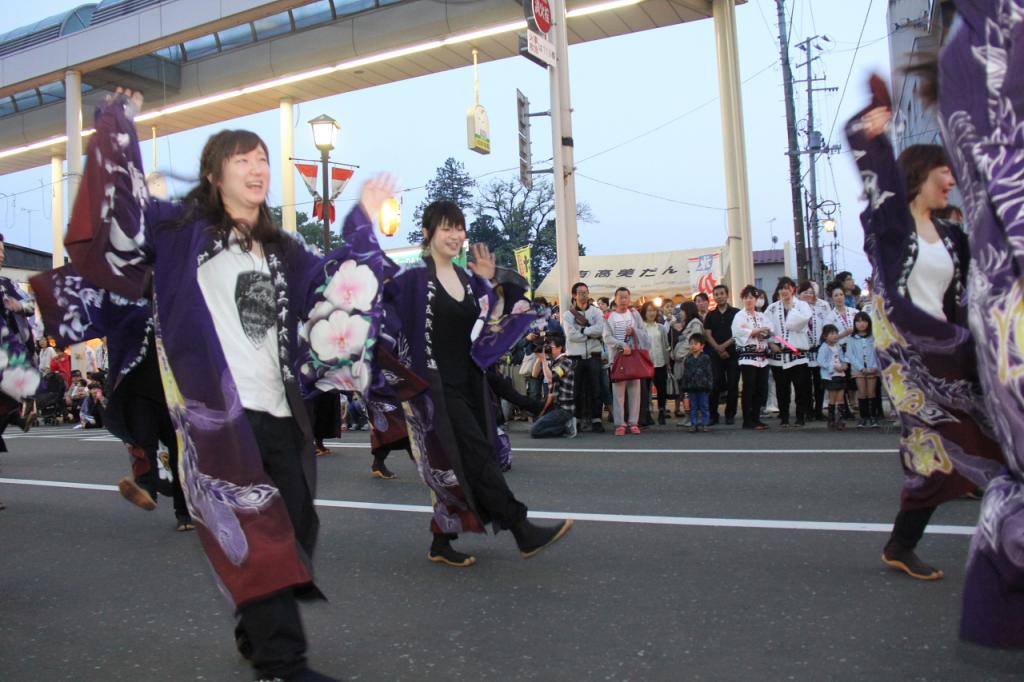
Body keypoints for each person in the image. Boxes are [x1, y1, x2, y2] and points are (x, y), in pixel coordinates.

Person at [43, 87, 352, 681]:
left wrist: (363, 233)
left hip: (282, 410)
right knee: (259, 532)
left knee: (299, 525)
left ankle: (255, 624)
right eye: (243, 159)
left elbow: (335, 291)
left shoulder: (284, 250)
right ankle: (282, 662)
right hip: (219, 415)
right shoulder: (181, 229)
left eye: (263, 158)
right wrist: (116, 126)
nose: (258, 168)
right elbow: (123, 210)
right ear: (214, 174)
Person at [846, 76, 1005, 609]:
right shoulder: (891, 226)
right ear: (920, 175)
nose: (951, 180)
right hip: (913, 360)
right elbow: (875, 173)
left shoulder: (954, 235)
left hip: (956, 352)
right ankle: (924, 542)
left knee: (956, 449)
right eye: (944, 171)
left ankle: (903, 541)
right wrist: (872, 127)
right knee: (954, 446)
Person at [370, 196, 573, 569]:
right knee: (476, 456)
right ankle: (520, 528)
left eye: (459, 227)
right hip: (433, 387)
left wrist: (490, 280)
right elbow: (380, 319)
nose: (455, 234)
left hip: (469, 381)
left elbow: (495, 322)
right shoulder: (412, 279)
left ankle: (441, 539)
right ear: (428, 232)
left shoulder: (467, 278)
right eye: (446, 227)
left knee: (463, 460)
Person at [765, 277, 813, 427]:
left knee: (801, 387)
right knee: (782, 388)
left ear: (793, 289)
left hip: (798, 353)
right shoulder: (772, 308)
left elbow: (803, 322)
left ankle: (800, 416)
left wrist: (791, 311)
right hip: (779, 354)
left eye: (787, 287)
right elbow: (765, 329)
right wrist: (771, 343)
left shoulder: (802, 305)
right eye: (781, 288)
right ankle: (784, 417)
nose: (784, 291)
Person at [603, 286, 650, 436]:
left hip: (634, 358)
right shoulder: (609, 317)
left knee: (635, 392)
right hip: (618, 359)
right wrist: (621, 345)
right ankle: (620, 424)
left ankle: (633, 423)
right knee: (618, 394)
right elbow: (607, 337)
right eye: (620, 297)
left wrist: (634, 331)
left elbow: (644, 332)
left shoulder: (635, 314)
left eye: (626, 297)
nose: (623, 300)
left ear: (630, 298)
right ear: (615, 299)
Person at [561, 282, 605, 433]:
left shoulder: (596, 312)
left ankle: (596, 419)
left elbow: (601, 329)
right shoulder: (568, 315)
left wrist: (583, 331)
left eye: (586, 292)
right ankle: (577, 419)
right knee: (576, 390)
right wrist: (589, 335)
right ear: (574, 295)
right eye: (580, 293)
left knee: (596, 389)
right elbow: (571, 335)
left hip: (593, 355)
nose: (584, 295)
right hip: (575, 356)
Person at [733, 285, 771, 430]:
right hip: (748, 356)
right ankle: (747, 419)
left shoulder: (761, 316)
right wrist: (756, 331)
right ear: (743, 299)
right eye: (746, 297)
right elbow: (739, 332)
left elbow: (769, 329)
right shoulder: (739, 316)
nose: (749, 300)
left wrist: (763, 332)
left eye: (752, 297)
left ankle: (756, 417)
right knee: (749, 387)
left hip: (762, 356)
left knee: (761, 387)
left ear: (756, 299)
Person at [704, 284, 739, 425]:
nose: (719, 296)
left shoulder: (737, 313)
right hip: (715, 355)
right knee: (715, 384)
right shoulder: (711, 315)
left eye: (721, 293)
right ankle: (713, 415)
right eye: (716, 294)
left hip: (733, 354)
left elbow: (738, 334)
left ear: (727, 295)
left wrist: (724, 346)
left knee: (733, 384)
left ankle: (730, 414)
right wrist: (718, 348)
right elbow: (707, 334)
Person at [530, 331, 577, 438]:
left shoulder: (566, 362)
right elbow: (534, 374)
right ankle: (563, 426)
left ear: (559, 348)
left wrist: (543, 360)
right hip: (555, 408)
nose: (548, 348)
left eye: (551, 346)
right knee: (537, 425)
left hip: (564, 409)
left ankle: (566, 426)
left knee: (535, 431)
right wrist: (540, 359)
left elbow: (551, 378)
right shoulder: (553, 362)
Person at [798, 281, 830, 421]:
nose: (808, 295)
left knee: (819, 382)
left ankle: (819, 409)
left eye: (811, 292)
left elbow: (828, 325)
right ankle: (807, 410)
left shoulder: (823, 305)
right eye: (805, 292)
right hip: (802, 349)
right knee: (804, 382)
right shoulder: (796, 307)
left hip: (819, 348)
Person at [639, 301, 670, 425]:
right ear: (644, 313)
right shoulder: (641, 327)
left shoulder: (661, 327)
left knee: (662, 388)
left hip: (660, 362)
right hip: (646, 363)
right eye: (649, 310)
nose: (652, 313)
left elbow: (666, 345)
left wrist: (668, 362)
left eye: (653, 310)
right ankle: (646, 413)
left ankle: (662, 412)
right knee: (646, 390)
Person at [847, 312, 880, 428]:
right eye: (858, 321)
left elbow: (878, 352)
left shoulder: (873, 337)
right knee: (862, 392)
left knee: (871, 392)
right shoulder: (851, 338)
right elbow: (850, 355)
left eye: (864, 321)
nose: (861, 324)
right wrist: (861, 367)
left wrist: (875, 366)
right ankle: (863, 417)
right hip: (858, 369)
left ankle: (873, 417)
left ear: (869, 323)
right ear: (855, 323)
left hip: (872, 368)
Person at [816, 324, 848, 431]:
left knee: (841, 397)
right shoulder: (823, 348)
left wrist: (844, 365)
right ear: (825, 336)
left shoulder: (838, 346)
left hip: (840, 374)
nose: (835, 336)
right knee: (833, 397)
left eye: (836, 333)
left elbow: (842, 357)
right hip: (830, 375)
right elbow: (821, 362)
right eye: (831, 334)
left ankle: (840, 420)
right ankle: (831, 419)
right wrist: (834, 367)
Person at [680, 333, 713, 432]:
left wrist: (710, 385)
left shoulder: (706, 358)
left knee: (704, 406)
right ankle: (693, 424)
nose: (693, 346)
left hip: (703, 386)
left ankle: (705, 424)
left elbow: (709, 372)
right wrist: (684, 386)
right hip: (691, 387)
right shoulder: (688, 359)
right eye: (691, 344)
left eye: (695, 343)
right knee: (693, 407)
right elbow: (685, 373)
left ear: (702, 345)